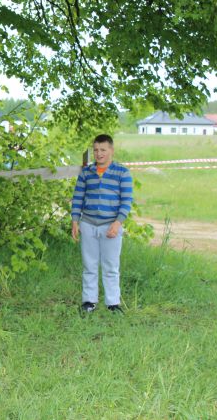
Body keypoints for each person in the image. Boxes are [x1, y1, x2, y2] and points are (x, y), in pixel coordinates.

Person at [71, 134, 133, 314]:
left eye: (103, 150)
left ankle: (113, 303)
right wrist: (75, 220)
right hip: (88, 224)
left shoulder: (122, 173)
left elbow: (126, 200)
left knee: (111, 267)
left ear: (111, 151)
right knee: (89, 265)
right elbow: (78, 198)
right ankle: (89, 302)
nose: (99, 154)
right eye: (96, 150)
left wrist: (118, 222)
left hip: (110, 226)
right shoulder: (86, 173)